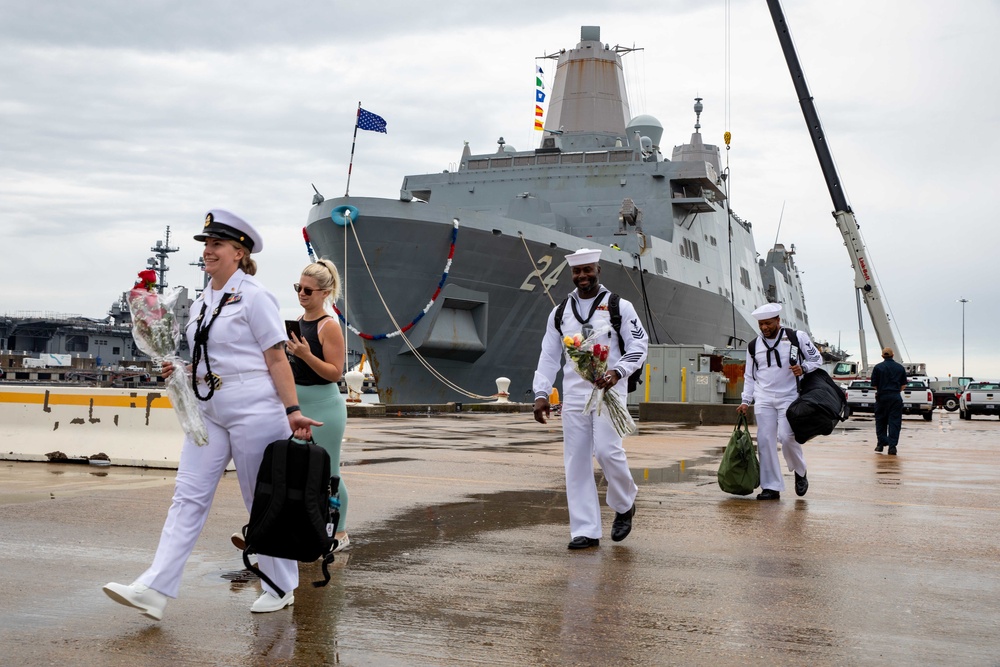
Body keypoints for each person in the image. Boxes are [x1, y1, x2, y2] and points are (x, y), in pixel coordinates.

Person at [103, 209, 322, 620]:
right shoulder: (203, 301)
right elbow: (211, 357)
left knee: (261, 500)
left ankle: (280, 585)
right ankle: (155, 588)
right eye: (205, 244)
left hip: (254, 408)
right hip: (209, 409)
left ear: (239, 253)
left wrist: (292, 410)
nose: (208, 251)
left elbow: (276, 360)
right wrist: (181, 369)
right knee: (187, 497)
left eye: (216, 244)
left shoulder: (256, 297)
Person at [532, 248, 648, 549]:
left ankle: (624, 503)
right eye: (577, 271)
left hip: (609, 389)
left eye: (588, 270)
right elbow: (549, 355)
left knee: (608, 452)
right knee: (576, 460)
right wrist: (541, 393)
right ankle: (585, 530)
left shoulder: (619, 306)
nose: (582, 276)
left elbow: (639, 344)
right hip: (573, 394)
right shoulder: (560, 312)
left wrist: (618, 372)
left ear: (598, 269)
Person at [284, 259, 350, 549]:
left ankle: (339, 533)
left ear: (325, 293)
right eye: (299, 288)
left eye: (309, 290)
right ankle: (296, 525)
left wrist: (305, 354)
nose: (302, 294)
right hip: (297, 403)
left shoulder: (329, 326)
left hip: (325, 404)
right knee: (293, 467)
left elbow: (335, 372)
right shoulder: (296, 324)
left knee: (329, 470)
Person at [737, 303, 823, 500]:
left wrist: (804, 368)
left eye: (768, 323)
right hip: (764, 397)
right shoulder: (753, 346)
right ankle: (771, 486)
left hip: (789, 396)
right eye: (761, 324)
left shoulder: (796, 337)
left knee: (786, 436)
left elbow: (816, 359)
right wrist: (745, 400)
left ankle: (800, 472)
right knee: (765, 441)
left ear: (778, 321)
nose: (764, 328)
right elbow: (750, 376)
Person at [870, 347, 907, 455]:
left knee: (881, 421)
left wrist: (883, 390)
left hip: (882, 397)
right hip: (895, 397)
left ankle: (881, 444)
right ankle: (892, 447)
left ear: (882, 356)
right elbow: (903, 385)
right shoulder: (900, 368)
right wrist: (895, 391)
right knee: (894, 422)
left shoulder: (877, 368)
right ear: (893, 355)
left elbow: (874, 385)